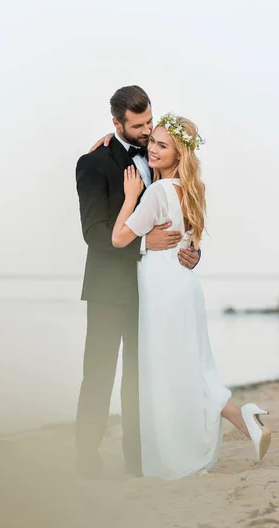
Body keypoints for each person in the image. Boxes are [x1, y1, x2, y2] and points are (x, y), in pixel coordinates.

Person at [111, 112, 272, 479]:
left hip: (163, 291)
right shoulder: (191, 192)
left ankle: (238, 422)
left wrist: (129, 196)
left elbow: (119, 238)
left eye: (162, 145)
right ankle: (245, 420)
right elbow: (191, 248)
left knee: (174, 373)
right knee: (192, 370)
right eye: (153, 141)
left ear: (179, 154)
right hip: (184, 288)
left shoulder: (156, 192)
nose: (152, 148)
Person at [75, 86, 200, 479]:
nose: (147, 132)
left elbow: (184, 221)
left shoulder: (162, 159)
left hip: (153, 289)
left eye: (149, 122)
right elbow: (94, 232)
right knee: (98, 373)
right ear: (117, 124)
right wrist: (144, 242)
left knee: (140, 376)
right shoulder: (93, 164)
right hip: (110, 290)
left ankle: (137, 459)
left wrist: (192, 253)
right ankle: (85, 458)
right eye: (138, 126)